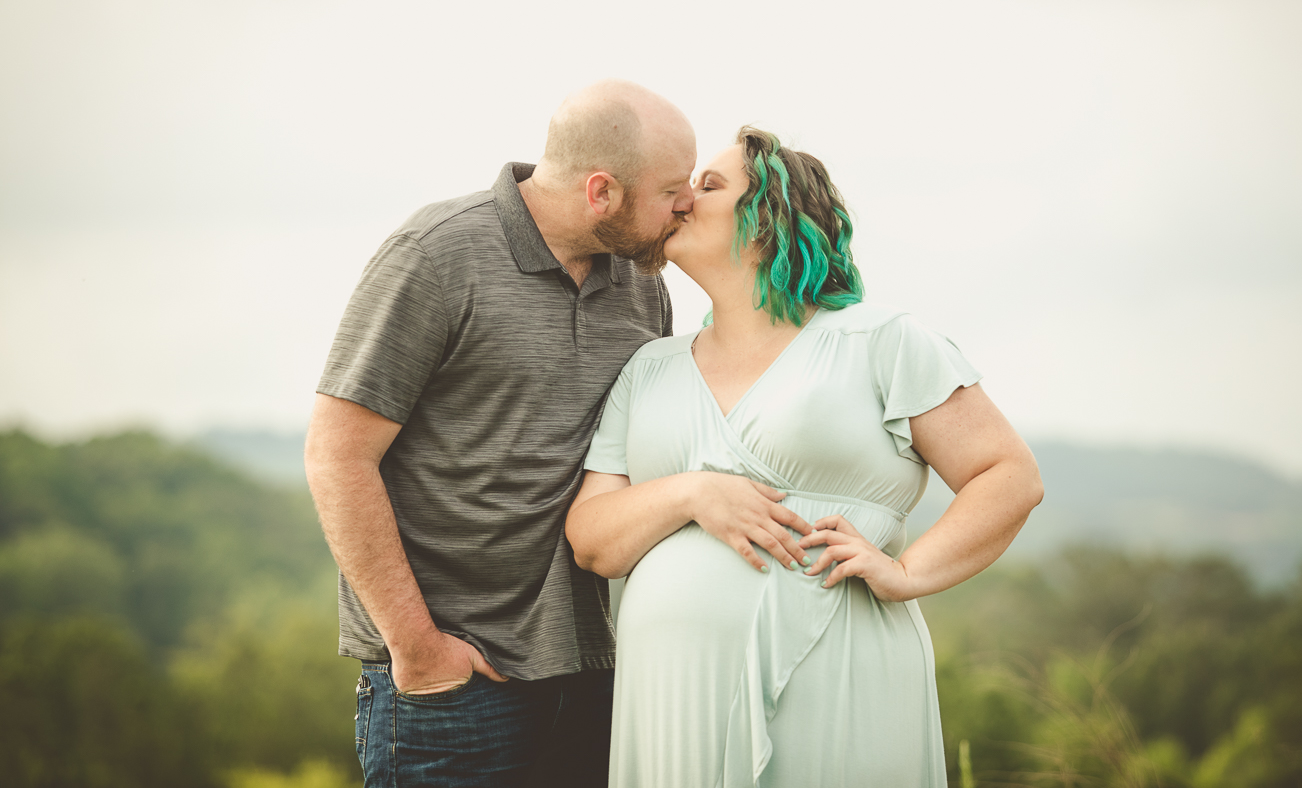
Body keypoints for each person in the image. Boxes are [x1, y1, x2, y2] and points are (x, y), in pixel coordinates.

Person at [566, 127, 1045, 788]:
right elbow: (591, 539)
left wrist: (907, 571)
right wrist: (691, 492)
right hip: (671, 699)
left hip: (840, 673)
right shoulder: (650, 367)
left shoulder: (880, 340)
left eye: (708, 187)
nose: (679, 202)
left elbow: (1008, 476)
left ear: (767, 216)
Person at [304, 79, 707, 788]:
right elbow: (337, 454)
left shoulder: (644, 286)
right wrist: (420, 648)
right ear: (601, 191)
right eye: (672, 188)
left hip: (596, 679)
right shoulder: (436, 256)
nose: (688, 205)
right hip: (454, 691)